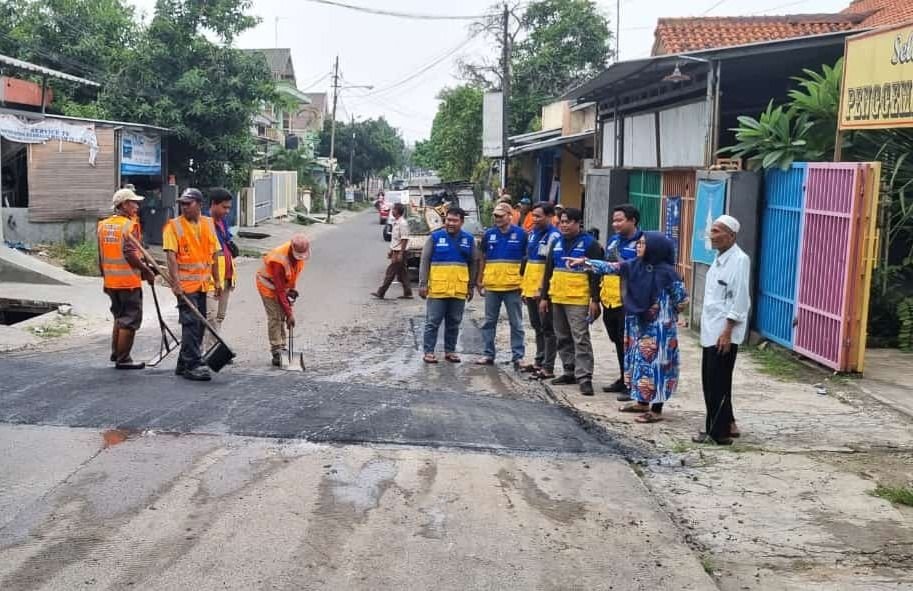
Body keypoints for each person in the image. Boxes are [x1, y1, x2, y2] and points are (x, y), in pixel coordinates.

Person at [568, 232, 688, 422]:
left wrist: (667, 313)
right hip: (637, 325)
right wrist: (585, 263)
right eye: (638, 243)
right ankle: (641, 402)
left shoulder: (668, 273)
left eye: (643, 244)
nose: (638, 247)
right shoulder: (635, 266)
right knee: (637, 363)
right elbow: (611, 267)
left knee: (657, 366)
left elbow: (681, 299)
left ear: (655, 248)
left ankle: (656, 410)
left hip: (659, 330)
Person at [693, 215, 751, 446]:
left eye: (717, 231)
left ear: (731, 235)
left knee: (718, 382)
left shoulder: (739, 260)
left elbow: (740, 299)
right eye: (712, 231)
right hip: (710, 331)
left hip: (723, 333)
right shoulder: (719, 260)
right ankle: (722, 425)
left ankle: (718, 433)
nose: (712, 236)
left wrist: (727, 331)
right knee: (710, 380)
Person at [539, 207, 603, 395]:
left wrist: (595, 300)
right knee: (562, 336)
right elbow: (548, 271)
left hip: (578, 298)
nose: (564, 225)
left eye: (568, 222)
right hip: (557, 296)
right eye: (561, 222)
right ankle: (569, 370)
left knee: (580, 337)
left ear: (577, 223)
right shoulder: (556, 242)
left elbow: (596, 274)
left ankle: (584, 377)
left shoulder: (590, 244)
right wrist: (544, 297)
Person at [163, 188, 222, 381]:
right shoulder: (173, 226)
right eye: (182, 203)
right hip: (186, 287)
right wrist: (176, 284)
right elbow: (171, 257)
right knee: (191, 324)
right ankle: (193, 365)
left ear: (199, 204)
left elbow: (214, 254)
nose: (184, 207)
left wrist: (218, 281)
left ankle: (183, 362)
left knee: (200, 325)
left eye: (188, 203)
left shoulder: (208, 223)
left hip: (204, 285)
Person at [97, 187, 154, 369]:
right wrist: (146, 270)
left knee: (119, 318)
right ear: (123, 205)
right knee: (130, 320)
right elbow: (130, 253)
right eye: (133, 203)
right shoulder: (129, 226)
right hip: (128, 281)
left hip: (111, 281)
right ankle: (124, 359)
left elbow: (101, 255)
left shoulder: (103, 225)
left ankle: (116, 354)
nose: (136, 207)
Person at [419, 207, 476, 364]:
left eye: (454, 220)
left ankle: (450, 351)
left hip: (459, 288)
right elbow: (425, 261)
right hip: (438, 289)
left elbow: (473, 263)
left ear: (461, 222)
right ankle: (429, 352)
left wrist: (471, 286)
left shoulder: (469, 240)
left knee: (454, 321)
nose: (450, 223)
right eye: (448, 220)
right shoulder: (435, 238)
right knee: (433, 321)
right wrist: (423, 283)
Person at [477, 202, 527, 368]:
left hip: (513, 286)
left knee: (516, 323)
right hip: (492, 285)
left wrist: (525, 283)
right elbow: (482, 257)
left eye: (500, 215)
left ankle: (518, 356)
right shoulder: (489, 234)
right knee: (489, 322)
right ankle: (488, 354)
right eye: (495, 216)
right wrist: (479, 280)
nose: (497, 219)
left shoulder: (521, 234)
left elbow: (527, 260)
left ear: (509, 216)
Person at [601, 204, 643, 399]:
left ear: (632, 220)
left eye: (620, 220)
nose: (615, 224)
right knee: (618, 341)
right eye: (614, 220)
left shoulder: (642, 242)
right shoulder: (613, 241)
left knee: (630, 342)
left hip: (629, 300)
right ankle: (622, 377)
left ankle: (632, 383)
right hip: (610, 299)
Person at [256, 234, 311, 367]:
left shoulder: (299, 256)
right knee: (275, 316)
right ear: (292, 249)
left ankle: (282, 346)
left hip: (280, 285)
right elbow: (279, 290)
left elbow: (290, 278)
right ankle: (276, 350)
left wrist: (289, 292)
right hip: (267, 284)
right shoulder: (278, 260)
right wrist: (290, 314)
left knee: (282, 315)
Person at [520, 201, 561, 379]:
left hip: (542, 290)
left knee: (547, 327)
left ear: (550, 216)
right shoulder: (532, 234)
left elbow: (550, 266)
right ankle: (538, 360)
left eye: (538, 216)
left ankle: (548, 366)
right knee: (537, 326)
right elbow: (530, 261)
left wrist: (542, 290)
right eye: (533, 215)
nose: (534, 219)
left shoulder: (554, 237)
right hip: (530, 287)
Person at [204, 188, 237, 352]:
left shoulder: (222, 221)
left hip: (227, 276)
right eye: (224, 207)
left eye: (229, 208)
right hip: (211, 278)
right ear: (213, 204)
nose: (227, 211)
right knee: (210, 316)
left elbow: (226, 241)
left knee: (219, 316)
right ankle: (209, 351)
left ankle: (214, 349)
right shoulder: (204, 223)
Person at [372, 202, 413, 299]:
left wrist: (400, 253)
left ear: (398, 211)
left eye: (393, 209)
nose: (392, 211)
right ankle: (408, 293)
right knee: (402, 274)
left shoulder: (402, 223)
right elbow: (395, 240)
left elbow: (404, 239)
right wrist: (391, 251)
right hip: (396, 251)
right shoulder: (396, 222)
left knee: (390, 272)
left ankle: (381, 292)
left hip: (400, 252)